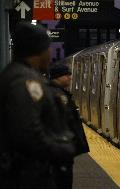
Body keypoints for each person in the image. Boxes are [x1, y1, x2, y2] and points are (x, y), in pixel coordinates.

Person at [0, 22, 76, 189]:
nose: (50, 53)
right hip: (26, 176)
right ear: (38, 50)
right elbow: (27, 132)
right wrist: (61, 149)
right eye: (48, 48)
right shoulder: (24, 82)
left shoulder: (17, 74)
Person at [48, 62, 90, 189]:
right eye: (66, 75)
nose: (70, 77)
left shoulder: (59, 94)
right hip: (60, 155)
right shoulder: (57, 96)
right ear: (58, 77)